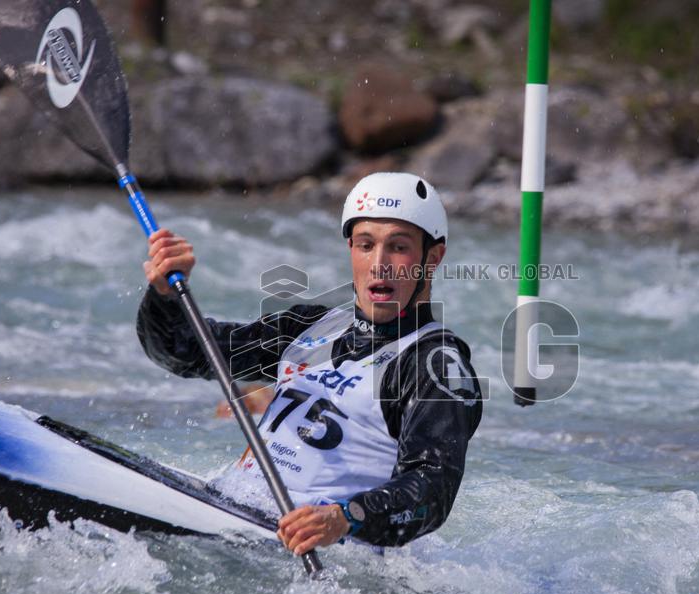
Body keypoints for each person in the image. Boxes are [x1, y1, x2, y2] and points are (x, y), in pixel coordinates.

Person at [136, 172, 482, 555]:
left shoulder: (436, 365)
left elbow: (433, 488)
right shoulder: (308, 326)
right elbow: (183, 351)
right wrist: (164, 294)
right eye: (366, 245)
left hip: (315, 552)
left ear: (432, 258)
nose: (379, 264)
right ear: (350, 248)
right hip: (231, 511)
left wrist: (346, 517)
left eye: (398, 247)